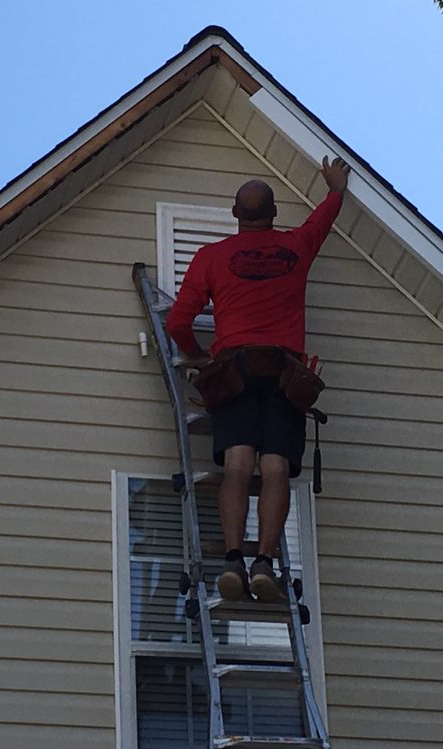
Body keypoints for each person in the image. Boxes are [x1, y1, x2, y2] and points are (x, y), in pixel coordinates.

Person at [166, 156, 350, 602]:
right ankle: (264, 564)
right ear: (272, 215)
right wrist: (335, 190)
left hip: (236, 370)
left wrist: (197, 356)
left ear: (235, 215)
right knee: (274, 469)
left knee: (237, 465)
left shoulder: (212, 258)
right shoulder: (297, 247)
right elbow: (322, 219)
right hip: (286, 374)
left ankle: (232, 559)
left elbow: (177, 322)